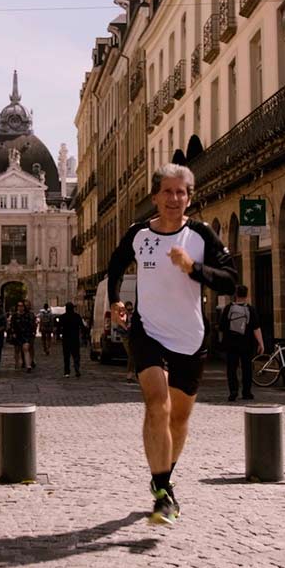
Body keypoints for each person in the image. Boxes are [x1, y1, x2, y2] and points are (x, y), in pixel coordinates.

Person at [108, 163, 237, 526]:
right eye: (167, 191)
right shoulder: (138, 234)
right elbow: (115, 265)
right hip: (147, 332)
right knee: (157, 405)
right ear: (155, 197)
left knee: (179, 420)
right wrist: (116, 300)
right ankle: (163, 494)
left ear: (189, 198)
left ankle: (161, 475)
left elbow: (230, 280)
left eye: (181, 192)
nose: (174, 198)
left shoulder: (201, 235)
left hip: (191, 337)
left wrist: (194, 269)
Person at [219, 285, 263, 402]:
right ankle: (247, 392)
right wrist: (261, 343)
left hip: (231, 344)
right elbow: (256, 328)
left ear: (236, 295)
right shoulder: (250, 309)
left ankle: (233, 391)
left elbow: (222, 326)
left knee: (231, 369)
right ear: (247, 295)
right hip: (247, 344)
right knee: (247, 368)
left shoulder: (228, 308)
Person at [57, 302, 84, 378]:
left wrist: (58, 336)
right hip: (75, 339)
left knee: (66, 356)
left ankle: (67, 372)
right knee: (76, 355)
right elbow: (82, 326)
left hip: (66, 339)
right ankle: (76, 367)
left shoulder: (62, 317)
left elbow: (58, 327)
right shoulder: (77, 316)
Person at [11, 300, 38, 373]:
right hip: (17, 334)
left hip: (26, 334)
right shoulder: (14, 316)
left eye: (22, 306)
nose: (20, 307)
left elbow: (31, 324)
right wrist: (13, 333)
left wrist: (32, 331)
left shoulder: (28, 315)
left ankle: (28, 365)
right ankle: (17, 363)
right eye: (19, 306)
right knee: (17, 350)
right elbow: (12, 325)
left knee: (26, 348)